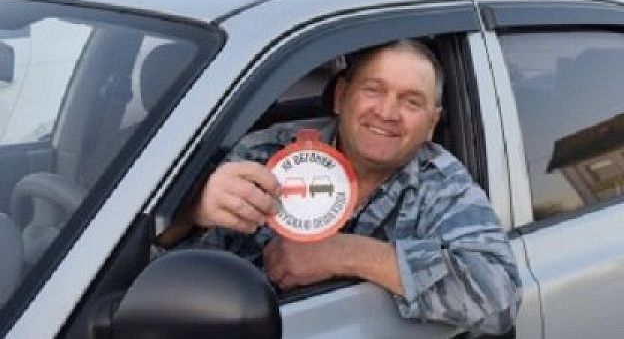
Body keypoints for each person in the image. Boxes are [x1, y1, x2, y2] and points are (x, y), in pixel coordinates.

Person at [159, 39, 521, 335]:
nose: (387, 113)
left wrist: (343, 254)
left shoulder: (438, 182)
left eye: (411, 101)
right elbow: (146, 267)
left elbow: (498, 299)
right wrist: (192, 210)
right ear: (340, 96)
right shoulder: (267, 153)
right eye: (373, 90)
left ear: (431, 123)